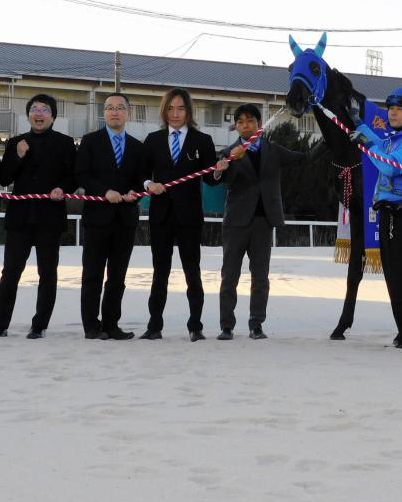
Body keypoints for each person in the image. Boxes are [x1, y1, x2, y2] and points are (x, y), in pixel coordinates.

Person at [213, 103, 309, 340]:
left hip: (263, 222)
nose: (246, 126)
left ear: (259, 124)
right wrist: (221, 169)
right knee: (230, 275)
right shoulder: (229, 153)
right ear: (236, 126)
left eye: (250, 121)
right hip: (236, 222)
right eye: (241, 122)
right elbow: (217, 179)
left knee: (260, 276)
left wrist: (330, 144)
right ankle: (227, 325)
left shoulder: (273, 150)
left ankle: (256, 324)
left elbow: (302, 158)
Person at [0, 94, 77, 340]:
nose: (39, 114)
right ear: (28, 115)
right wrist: (17, 155)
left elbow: (74, 176)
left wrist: (62, 188)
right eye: (34, 109)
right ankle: (0, 325)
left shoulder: (66, 143)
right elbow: (4, 178)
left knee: (47, 273)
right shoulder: (17, 141)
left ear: (53, 116)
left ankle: (39, 326)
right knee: (10, 272)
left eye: (44, 110)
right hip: (20, 218)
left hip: (50, 216)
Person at [348, 85, 402, 349]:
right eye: (391, 108)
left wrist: (366, 143)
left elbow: (388, 166)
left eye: (400, 109)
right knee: (392, 273)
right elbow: (379, 143)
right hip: (387, 211)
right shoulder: (394, 139)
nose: (393, 113)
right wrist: (359, 122)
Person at [139, 88, 221, 342]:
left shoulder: (203, 141)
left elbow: (210, 177)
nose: (175, 114)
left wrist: (219, 171)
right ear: (164, 111)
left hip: (189, 217)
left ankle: (195, 326)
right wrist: (148, 185)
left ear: (189, 111)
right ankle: (154, 326)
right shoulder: (152, 140)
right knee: (159, 271)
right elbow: (141, 174)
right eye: (170, 109)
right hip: (161, 216)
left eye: (180, 108)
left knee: (192, 271)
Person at [75, 92, 144, 340]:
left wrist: (133, 194)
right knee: (92, 274)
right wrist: (105, 192)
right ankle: (91, 326)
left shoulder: (138, 146)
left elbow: (141, 180)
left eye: (120, 107)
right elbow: (82, 175)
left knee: (117, 276)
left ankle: (111, 324)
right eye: (109, 108)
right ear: (103, 113)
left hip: (125, 220)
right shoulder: (90, 141)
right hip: (96, 218)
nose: (114, 112)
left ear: (128, 112)